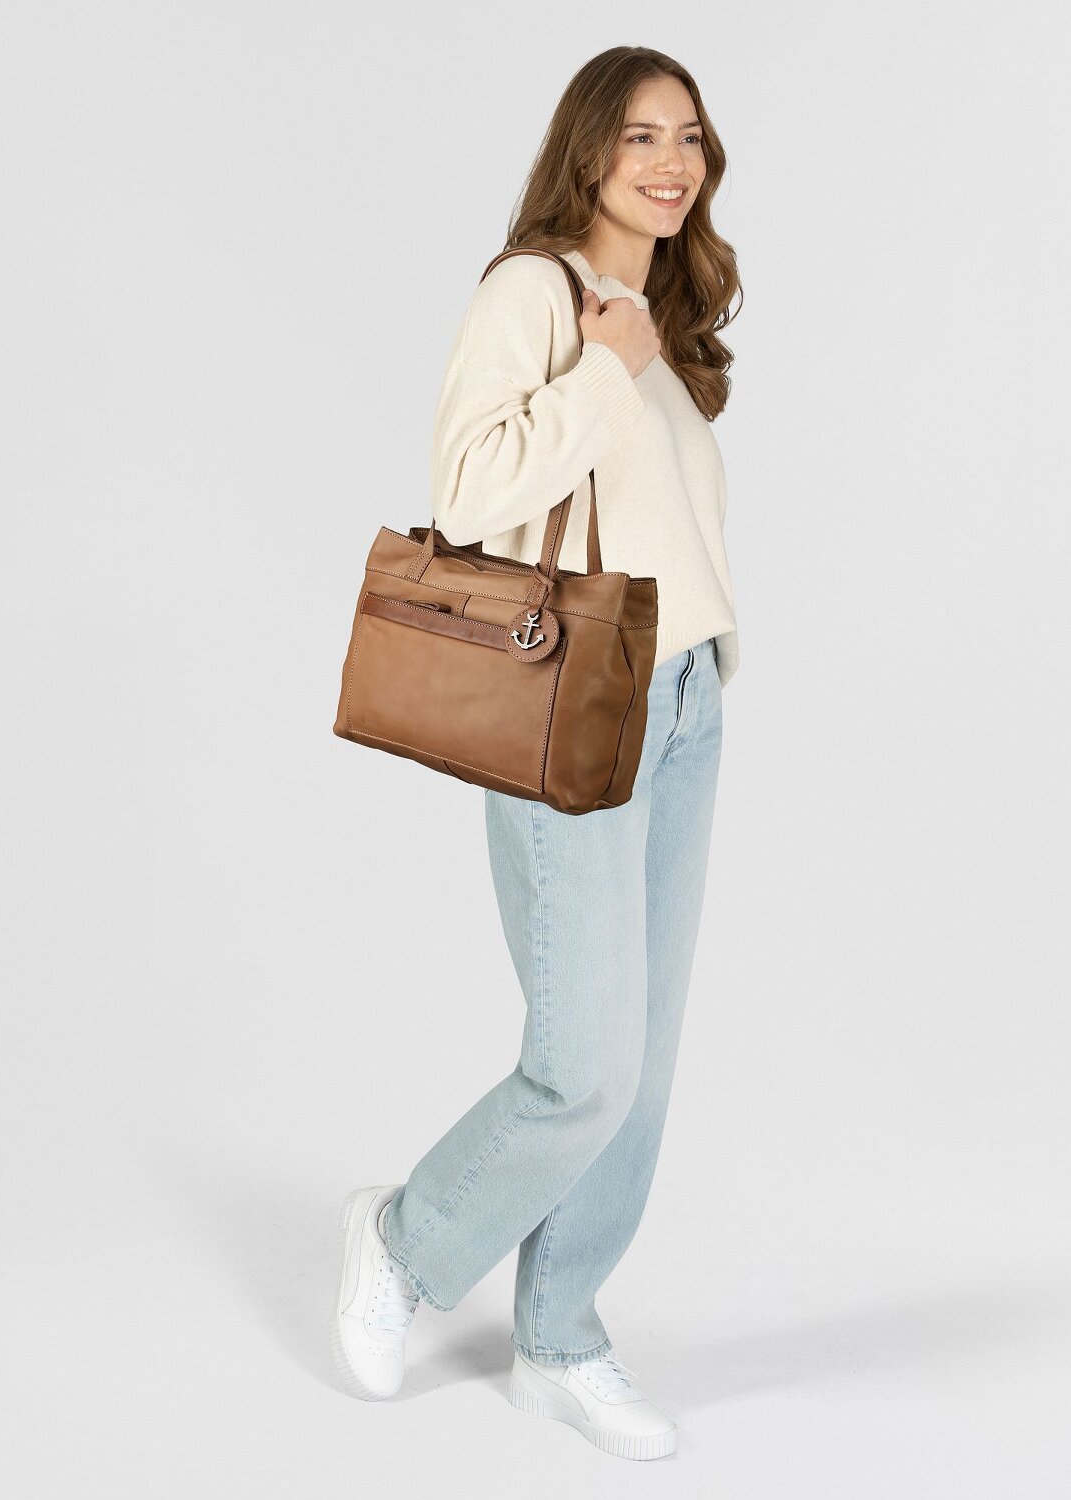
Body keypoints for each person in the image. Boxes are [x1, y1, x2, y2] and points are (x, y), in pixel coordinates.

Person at [330, 45, 743, 1462]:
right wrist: (606, 374)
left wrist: (711, 662)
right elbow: (467, 488)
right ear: (589, 151)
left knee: (644, 1069)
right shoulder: (536, 295)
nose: (672, 163)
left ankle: (562, 1333)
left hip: (681, 701)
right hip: (576, 701)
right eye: (642, 137)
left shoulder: (656, 315)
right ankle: (403, 1239)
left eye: (690, 137)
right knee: (585, 1065)